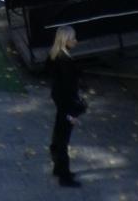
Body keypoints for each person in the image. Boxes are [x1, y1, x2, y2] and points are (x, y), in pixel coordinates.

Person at [48, 27, 84, 187]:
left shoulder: (54, 56)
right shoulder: (66, 62)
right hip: (66, 104)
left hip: (60, 101)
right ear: (65, 40)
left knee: (58, 136)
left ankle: (58, 168)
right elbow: (70, 88)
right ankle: (64, 176)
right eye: (73, 38)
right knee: (63, 140)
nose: (76, 41)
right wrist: (73, 113)